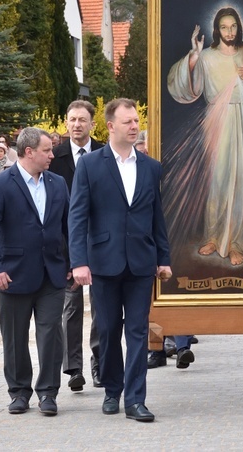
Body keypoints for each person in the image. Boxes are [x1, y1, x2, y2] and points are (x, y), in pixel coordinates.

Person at [69, 98, 171, 423]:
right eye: (127, 121)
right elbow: (77, 216)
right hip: (103, 261)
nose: (134, 126)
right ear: (110, 126)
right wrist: (79, 261)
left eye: (136, 120)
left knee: (138, 331)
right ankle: (112, 389)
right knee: (110, 329)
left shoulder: (151, 167)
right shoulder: (90, 165)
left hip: (141, 262)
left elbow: (158, 218)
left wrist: (164, 258)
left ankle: (136, 399)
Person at [167, 6, 243, 267]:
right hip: (216, 122)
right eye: (224, 27)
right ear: (216, 30)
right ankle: (214, 237)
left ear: (239, 27)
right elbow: (185, 84)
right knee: (217, 180)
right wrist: (194, 56)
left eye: (233, 26)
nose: (229, 31)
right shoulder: (206, 57)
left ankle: (238, 243)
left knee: (241, 181)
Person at [0, 127, 70, 416]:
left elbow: (68, 226)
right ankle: (19, 392)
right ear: (29, 152)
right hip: (12, 274)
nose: (52, 155)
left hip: (52, 274)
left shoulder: (58, 184)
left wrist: (72, 262)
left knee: (51, 334)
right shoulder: (0, 185)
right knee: (15, 337)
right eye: (47, 150)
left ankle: (48, 393)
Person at [48, 100, 105, 392]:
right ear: (66, 123)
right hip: (66, 244)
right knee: (70, 306)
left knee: (100, 306)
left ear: (92, 124)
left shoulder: (106, 154)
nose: (77, 125)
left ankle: (99, 363)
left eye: (83, 120)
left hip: (100, 242)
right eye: (72, 119)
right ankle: (73, 369)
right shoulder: (54, 158)